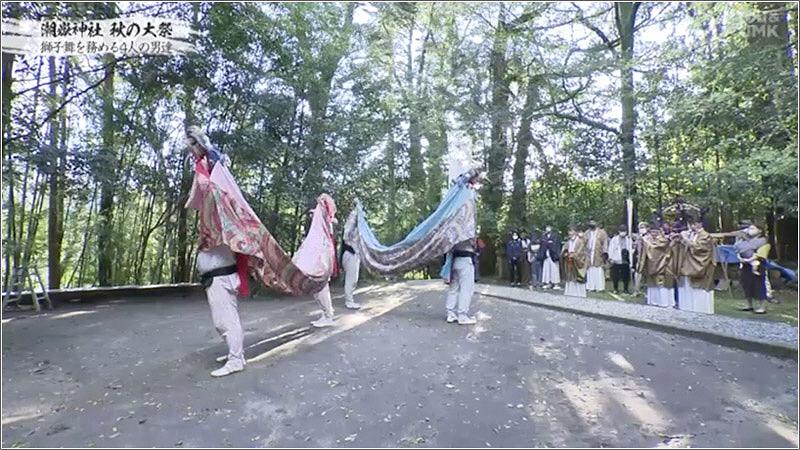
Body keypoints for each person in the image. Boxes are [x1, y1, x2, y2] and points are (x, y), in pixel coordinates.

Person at [185, 126, 246, 378]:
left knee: (226, 319)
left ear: (199, 144)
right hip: (216, 271)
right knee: (222, 319)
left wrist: (203, 176)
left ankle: (236, 359)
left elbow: (213, 192)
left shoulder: (217, 178)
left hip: (222, 271)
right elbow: (192, 202)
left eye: (192, 145)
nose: (189, 150)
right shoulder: (204, 170)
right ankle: (234, 352)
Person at [444, 169, 482, 325]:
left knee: (454, 288)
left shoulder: (453, 219)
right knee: (466, 288)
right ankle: (462, 315)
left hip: (453, 259)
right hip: (466, 258)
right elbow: (472, 238)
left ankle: (450, 313)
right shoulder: (467, 207)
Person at [676, 217, 716, 314]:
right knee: (686, 285)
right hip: (687, 263)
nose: (691, 226)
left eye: (693, 224)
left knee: (699, 288)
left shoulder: (705, 235)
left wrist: (685, 239)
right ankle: (687, 307)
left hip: (698, 263)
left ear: (699, 224)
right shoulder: (691, 234)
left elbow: (699, 248)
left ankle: (701, 308)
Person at [733, 222, 771, 314]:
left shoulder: (763, 240)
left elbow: (761, 253)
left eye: (753, 228)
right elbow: (738, 249)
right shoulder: (744, 240)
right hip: (745, 265)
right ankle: (749, 304)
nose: (750, 230)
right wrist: (740, 258)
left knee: (758, 285)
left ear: (760, 230)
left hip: (757, 264)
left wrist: (750, 259)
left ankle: (762, 307)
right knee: (746, 284)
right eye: (749, 228)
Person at [637, 223, 676, 308]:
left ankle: (665, 303)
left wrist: (646, 242)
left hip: (663, 266)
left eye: (655, 232)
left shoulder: (663, 240)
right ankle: (653, 301)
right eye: (652, 232)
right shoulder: (649, 239)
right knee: (652, 284)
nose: (653, 234)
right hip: (651, 267)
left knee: (662, 285)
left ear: (659, 232)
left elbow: (655, 250)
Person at [341, 202, 361, 310]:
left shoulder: (356, 220)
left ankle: (350, 299)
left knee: (353, 278)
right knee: (351, 279)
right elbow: (346, 236)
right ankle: (349, 301)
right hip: (350, 252)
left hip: (354, 253)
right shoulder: (353, 218)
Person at [562, 225, 588, 298]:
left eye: (571, 231)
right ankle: (570, 292)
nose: (570, 233)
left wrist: (574, 255)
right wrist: (566, 254)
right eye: (569, 231)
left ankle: (579, 293)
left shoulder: (580, 241)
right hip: (569, 262)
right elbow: (564, 251)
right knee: (570, 277)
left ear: (575, 232)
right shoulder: (568, 242)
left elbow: (581, 252)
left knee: (577, 277)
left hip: (577, 263)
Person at [608, 225, 633, 294]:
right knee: (615, 276)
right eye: (621, 231)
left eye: (624, 231)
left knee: (626, 276)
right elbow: (611, 249)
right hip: (616, 260)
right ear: (619, 231)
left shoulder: (628, 240)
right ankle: (615, 289)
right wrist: (611, 258)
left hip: (625, 260)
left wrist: (631, 260)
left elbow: (630, 250)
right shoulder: (614, 239)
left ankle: (626, 289)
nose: (623, 233)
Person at [585, 219, 608, 292]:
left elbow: (605, 243)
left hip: (598, 254)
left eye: (593, 222)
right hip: (589, 254)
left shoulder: (602, 232)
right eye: (590, 222)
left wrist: (605, 253)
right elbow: (584, 243)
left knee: (598, 270)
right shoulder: (587, 233)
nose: (592, 223)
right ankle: (590, 286)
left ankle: (599, 287)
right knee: (590, 270)